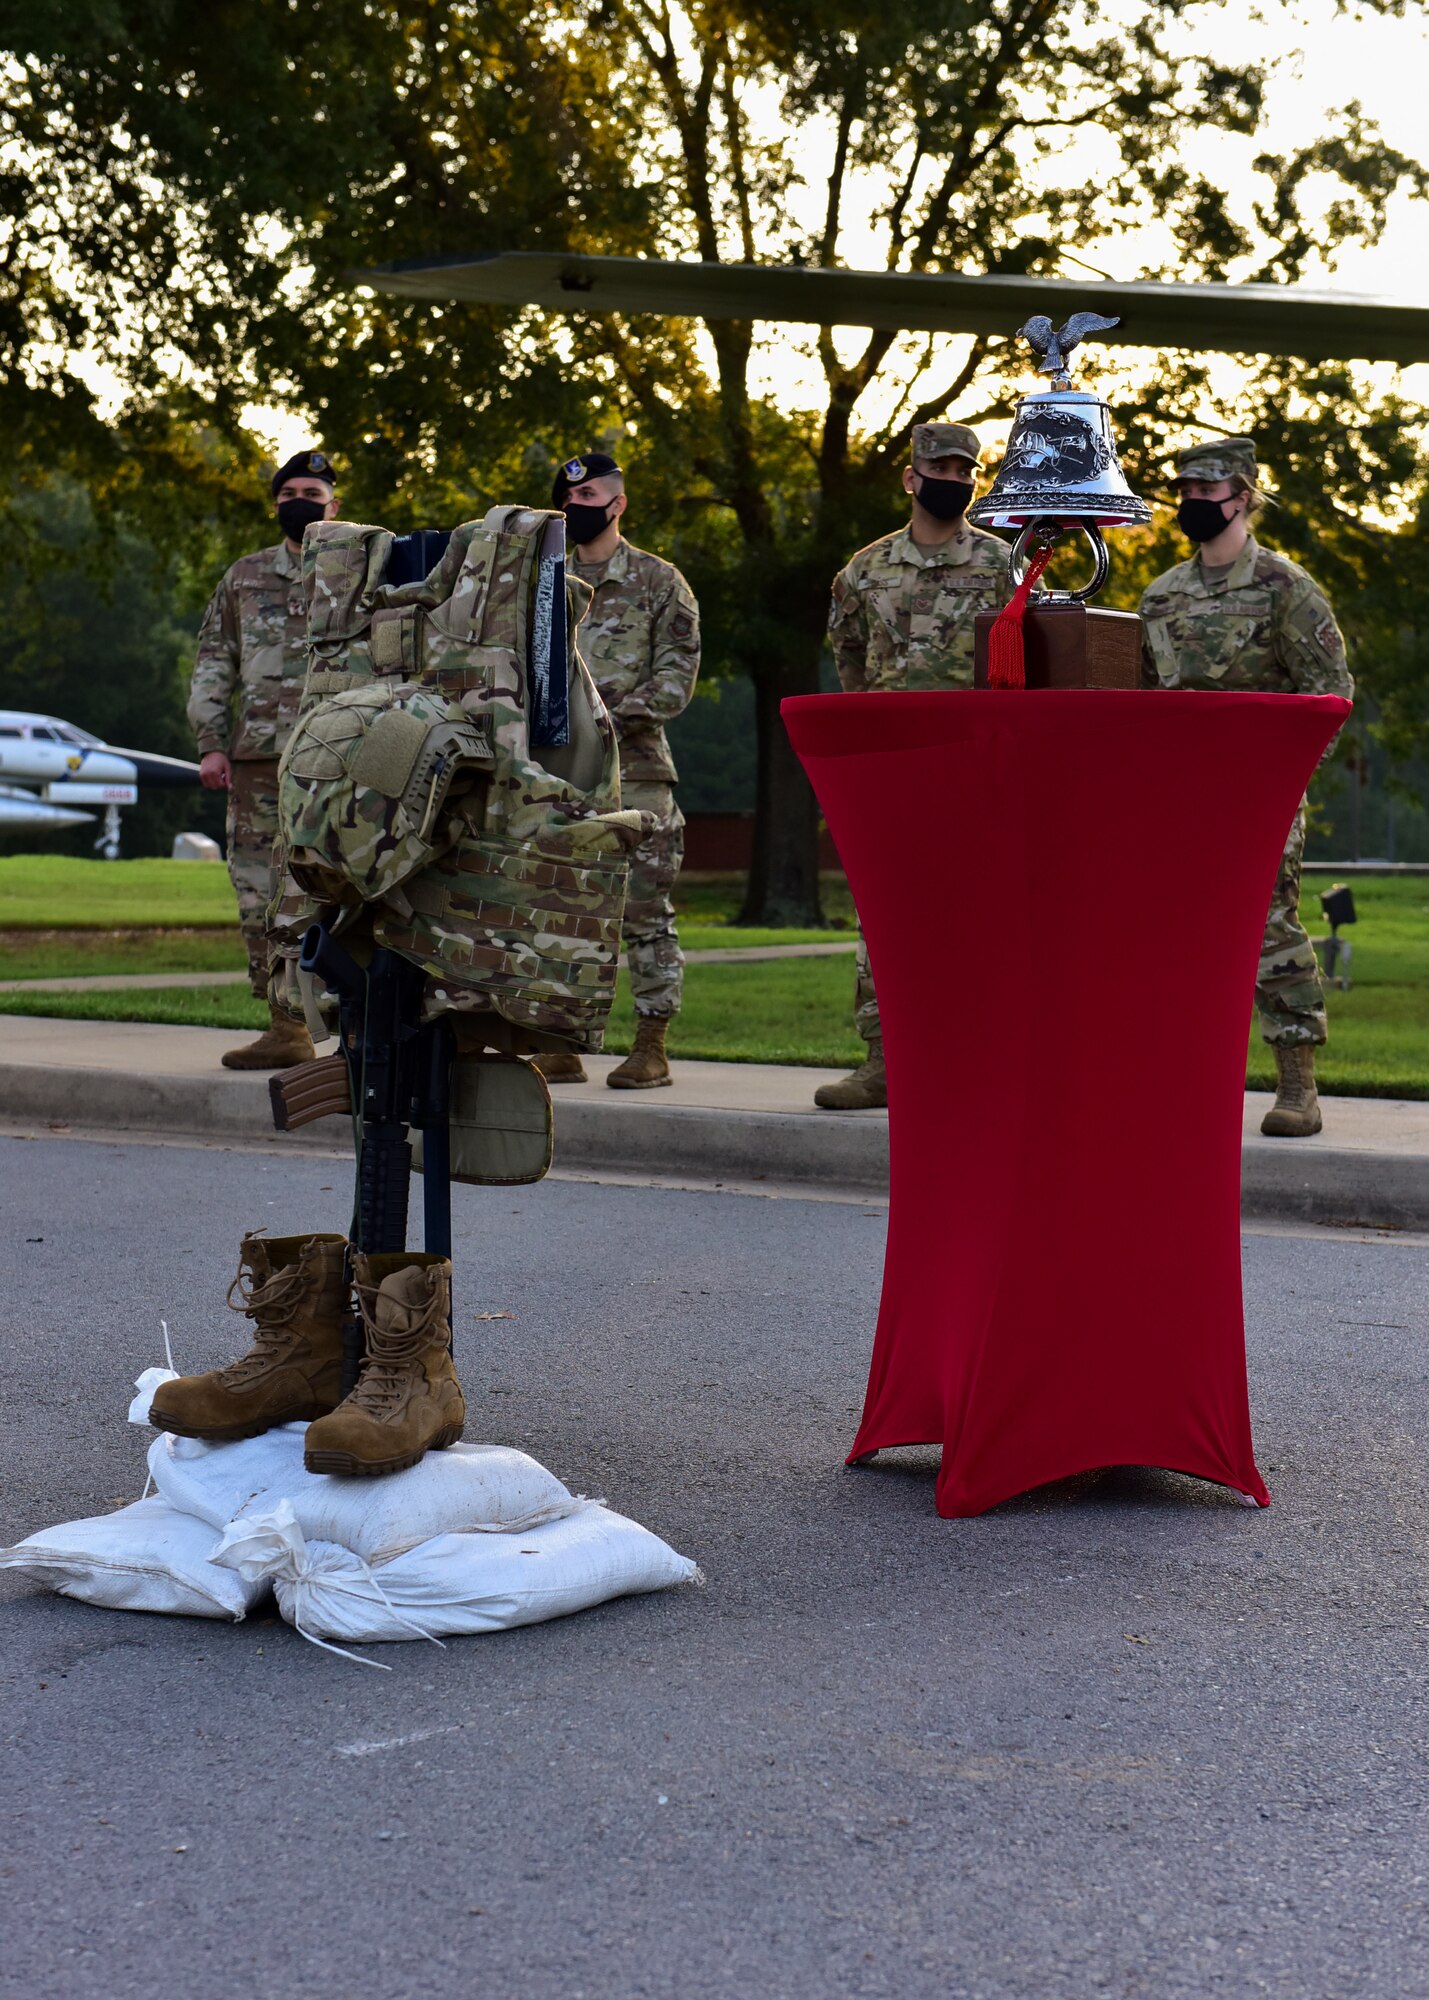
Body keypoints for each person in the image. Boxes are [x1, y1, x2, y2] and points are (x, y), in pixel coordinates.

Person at [1139, 436, 1354, 1138]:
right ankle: (1183, 1075)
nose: (1194, 502)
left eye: (1208, 491)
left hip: (1258, 797)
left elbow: (1329, 693)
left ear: (1243, 497)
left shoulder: (1285, 588)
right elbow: (1143, 698)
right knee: (1175, 934)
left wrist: (1283, 781)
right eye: (1187, 491)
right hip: (1177, 800)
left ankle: (1296, 1082)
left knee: (1268, 928)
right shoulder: (1160, 595)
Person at [815, 421, 1011, 1111]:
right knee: (885, 919)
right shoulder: (864, 570)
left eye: (964, 473)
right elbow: (848, 656)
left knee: (978, 919)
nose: (952, 482)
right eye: (940, 469)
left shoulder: (1000, 565)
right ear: (910, 477)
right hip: (895, 771)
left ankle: (975, 1061)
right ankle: (883, 1062)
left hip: (975, 770)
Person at [535, 450, 701, 1089]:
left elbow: (675, 682)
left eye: (589, 499)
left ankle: (651, 1046)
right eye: (568, 501)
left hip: (637, 775)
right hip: (559, 775)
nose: (577, 509)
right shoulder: (541, 582)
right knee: (562, 910)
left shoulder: (661, 583)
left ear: (618, 504)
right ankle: (560, 1041)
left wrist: (602, 717)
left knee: (644, 912)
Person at [188, 449, 340, 1070]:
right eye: (287, 493)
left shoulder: (364, 571)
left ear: (334, 503)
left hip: (337, 761)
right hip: (256, 763)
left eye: (311, 490)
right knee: (257, 892)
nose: (298, 501)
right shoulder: (244, 577)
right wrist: (210, 742)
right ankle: (284, 1025)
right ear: (275, 504)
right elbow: (213, 660)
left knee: (334, 889)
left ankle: (345, 1021)